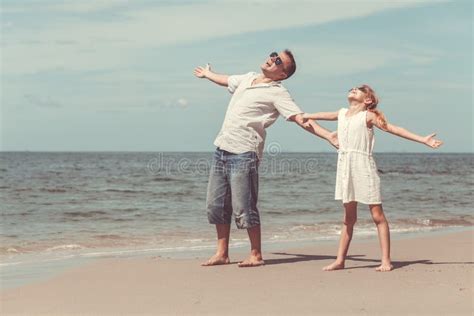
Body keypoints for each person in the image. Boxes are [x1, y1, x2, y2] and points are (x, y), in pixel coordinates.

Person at [194, 50, 338, 267]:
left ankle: (255, 254)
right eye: (273, 55)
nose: (272, 59)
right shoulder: (248, 77)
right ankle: (222, 253)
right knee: (215, 205)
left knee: (244, 206)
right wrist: (208, 74)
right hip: (221, 148)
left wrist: (327, 135)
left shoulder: (278, 92)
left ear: (282, 74)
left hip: (244, 152)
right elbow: (227, 80)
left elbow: (300, 118)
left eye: (278, 61)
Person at [303, 84, 443, 272]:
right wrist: (305, 116)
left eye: (358, 89)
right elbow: (322, 115)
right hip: (345, 168)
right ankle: (340, 260)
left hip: (364, 168)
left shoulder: (368, 116)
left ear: (367, 100)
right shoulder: (342, 112)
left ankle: (386, 260)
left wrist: (423, 139)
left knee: (377, 216)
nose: (352, 89)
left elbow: (395, 129)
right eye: (351, 88)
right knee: (348, 218)